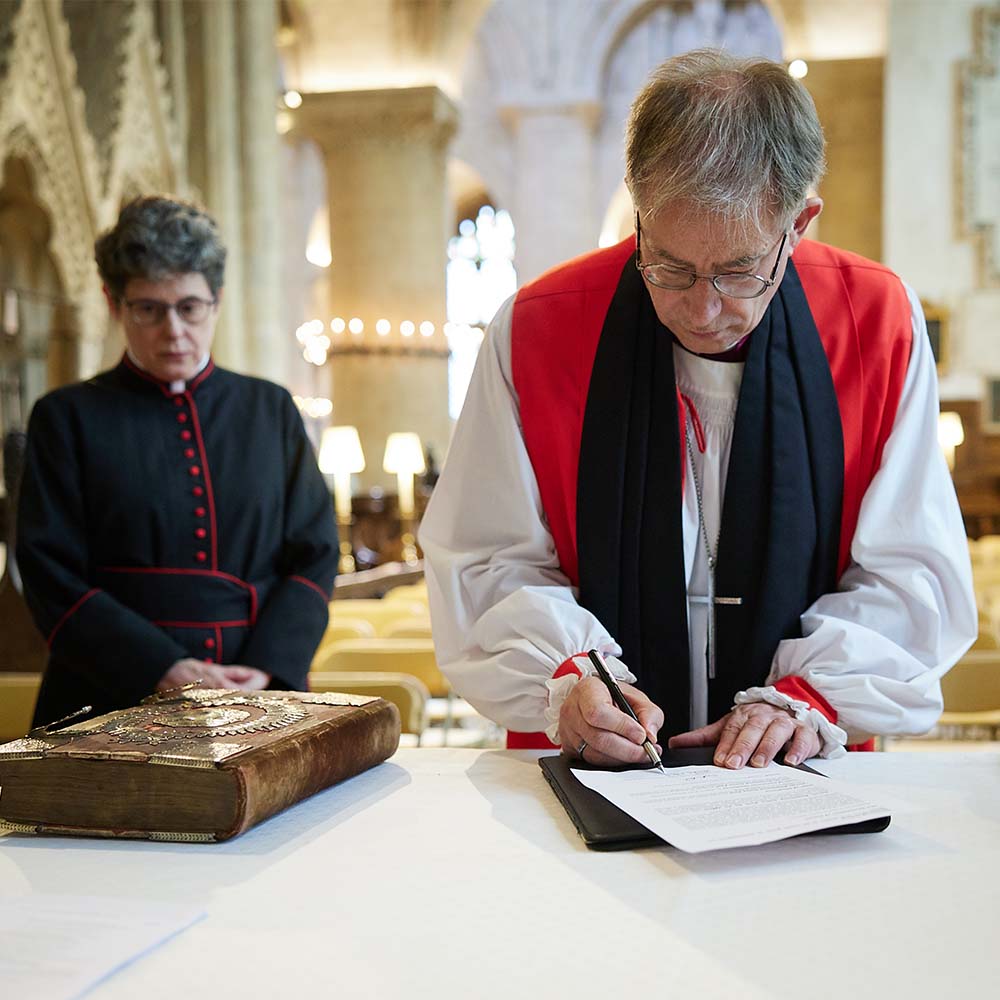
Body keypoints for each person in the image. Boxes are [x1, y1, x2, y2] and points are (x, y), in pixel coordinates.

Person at [420, 49, 977, 769]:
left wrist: (808, 694)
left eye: (739, 270)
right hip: (595, 770)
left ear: (799, 222)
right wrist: (572, 674)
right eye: (671, 266)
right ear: (640, 209)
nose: (703, 309)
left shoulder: (874, 321)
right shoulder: (537, 328)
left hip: (798, 767)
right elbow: (488, 558)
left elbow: (911, 574)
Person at [18, 196, 338, 724]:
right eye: (149, 308)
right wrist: (158, 666)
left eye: (189, 307)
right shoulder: (66, 417)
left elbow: (316, 552)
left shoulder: (270, 409)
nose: (173, 331)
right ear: (113, 302)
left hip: (256, 691)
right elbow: (49, 573)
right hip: (108, 688)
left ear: (216, 300)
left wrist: (266, 667)